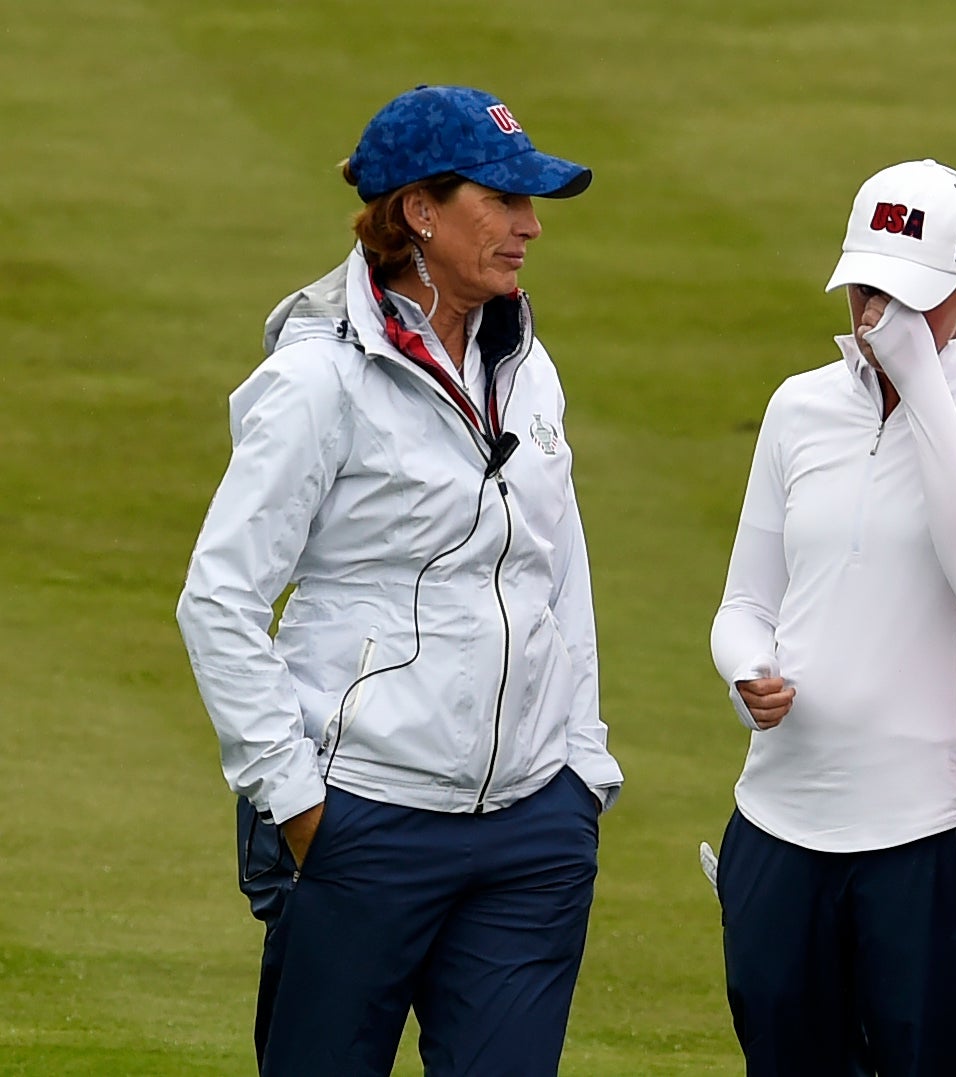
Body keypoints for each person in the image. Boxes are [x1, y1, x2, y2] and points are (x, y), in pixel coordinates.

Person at [175, 84, 622, 1077]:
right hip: (363, 822)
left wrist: (580, 766)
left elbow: (560, 567)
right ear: (419, 211)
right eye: (503, 201)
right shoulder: (316, 382)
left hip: (532, 831)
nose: (530, 227)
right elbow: (221, 598)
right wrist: (297, 803)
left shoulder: (524, 360)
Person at [709, 159, 956, 1076]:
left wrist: (920, 381)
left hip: (931, 826)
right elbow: (747, 601)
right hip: (782, 815)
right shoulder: (799, 405)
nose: (879, 317)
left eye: (909, 297)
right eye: (867, 288)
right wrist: (745, 670)